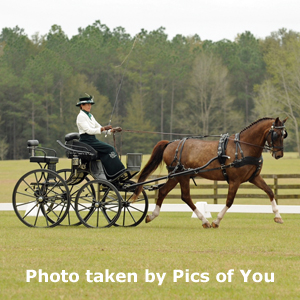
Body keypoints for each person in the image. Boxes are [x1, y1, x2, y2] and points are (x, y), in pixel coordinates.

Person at [76, 94, 125, 178]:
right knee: (110, 149)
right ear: (81, 105)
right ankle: (115, 173)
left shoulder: (90, 116)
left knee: (110, 149)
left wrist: (111, 130)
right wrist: (103, 129)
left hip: (93, 140)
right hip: (86, 141)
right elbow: (89, 131)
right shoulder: (81, 116)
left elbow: (98, 127)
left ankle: (115, 172)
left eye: (90, 104)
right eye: (87, 104)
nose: (89, 106)